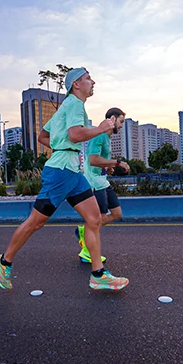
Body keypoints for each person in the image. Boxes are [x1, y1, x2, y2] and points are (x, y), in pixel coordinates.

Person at [0, 67, 129, 291]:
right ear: (76, 84)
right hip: (60, 172)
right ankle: (3, 261)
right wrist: (100, 128)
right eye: (88, 78)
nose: (93, 82)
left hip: (73, 171)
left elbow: (42, 136)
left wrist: (60, 146)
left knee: (94, 219)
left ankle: (98, 274)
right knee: (37, 222)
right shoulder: (74, 103)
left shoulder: (66, 108)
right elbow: (75, 134)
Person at [74, 107, 129, 263]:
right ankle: (86, 251)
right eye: (121, 122)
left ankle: (85, 232)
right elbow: (92, 160)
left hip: (102, 181)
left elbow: (99, 162)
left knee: (117, 213)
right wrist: (117, 163)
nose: (121, 126)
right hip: (93, 183)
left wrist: (107, 168)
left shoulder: (107, 137)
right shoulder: (99, 136)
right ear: (112, 119)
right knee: (99, 218)